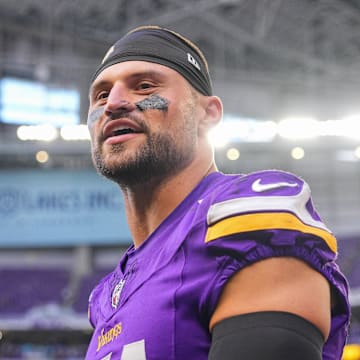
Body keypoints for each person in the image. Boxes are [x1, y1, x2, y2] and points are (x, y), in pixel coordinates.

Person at [85, 25, 350, 360]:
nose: (115, 103)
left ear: (207, 114)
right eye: (101, 95)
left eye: (145, 86)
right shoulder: (110, 292)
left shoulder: (245, 220)